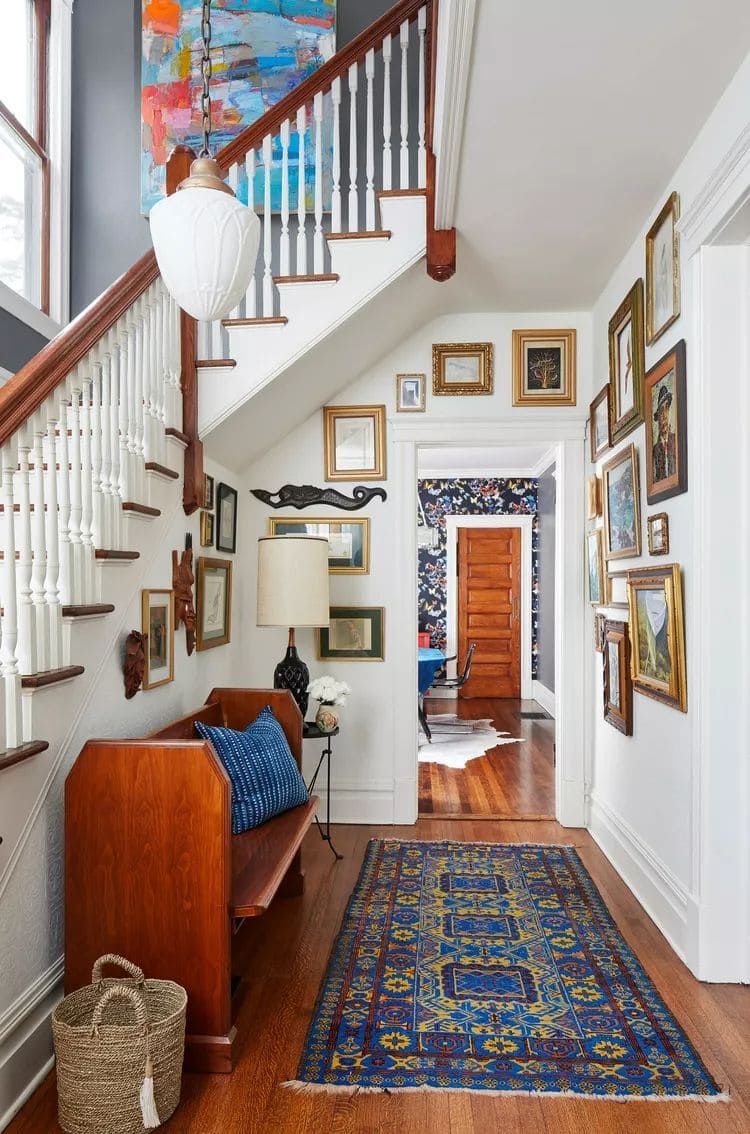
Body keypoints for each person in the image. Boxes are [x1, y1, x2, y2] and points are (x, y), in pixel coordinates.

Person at [652, 383, 676, 482]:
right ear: (658, 417)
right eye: (662, 411)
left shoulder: (675, 440)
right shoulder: (655, 449)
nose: (665, 415)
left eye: (667, 409)